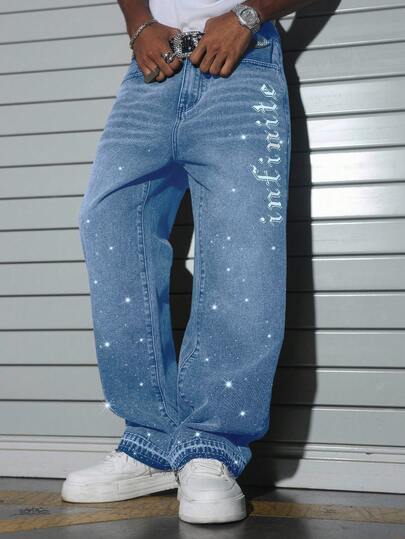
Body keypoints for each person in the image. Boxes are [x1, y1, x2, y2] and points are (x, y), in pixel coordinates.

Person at [61, 0, 312, 525]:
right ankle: (150, 442)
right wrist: (138, 24)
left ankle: (211, 445)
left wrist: (250, 15)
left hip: (242, 63)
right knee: (108, 223)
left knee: (243, 247)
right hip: (153, 68)